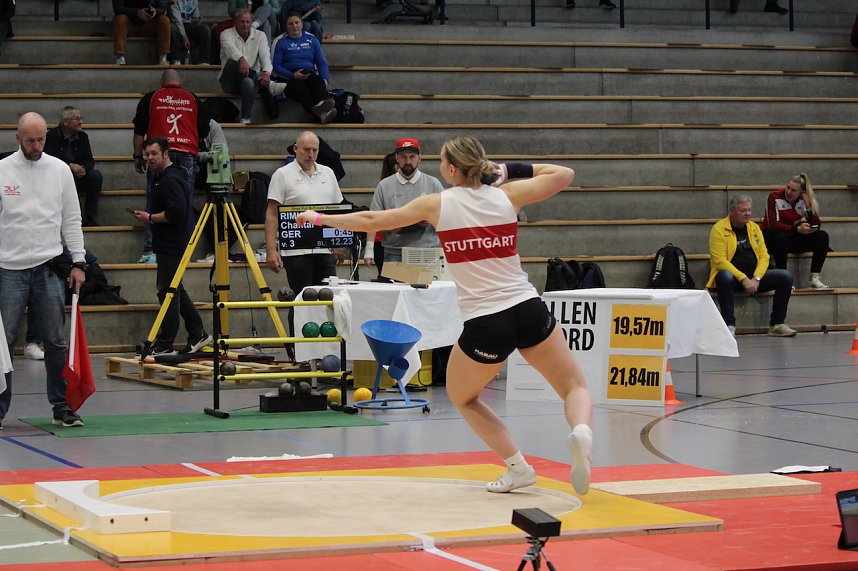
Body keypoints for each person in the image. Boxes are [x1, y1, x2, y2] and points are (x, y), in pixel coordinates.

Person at [295, 135, 594, 495]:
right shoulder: (507, 196)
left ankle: (518, 467)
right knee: (574, 386)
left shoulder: (437, 204)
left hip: (487, 322)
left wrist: (320, 218)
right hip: (528, 308)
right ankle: (582, 433)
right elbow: (565, 173)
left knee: (464, 397)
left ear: (452, 169)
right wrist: (510, 170)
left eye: (440, 161)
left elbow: (374, 218)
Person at [0, 112, 87, 429]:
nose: (36, 146)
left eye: (41, 140)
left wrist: (78, 262)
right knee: (4, 342)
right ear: (17, 138)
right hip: (9, 267)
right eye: (30, 140)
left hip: (49, 265)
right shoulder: (2, 171)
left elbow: (71, 220)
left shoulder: (60, 170)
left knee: (55, 340)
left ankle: (61, 406)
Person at [130, 138, 212, 356]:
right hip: (168, 242)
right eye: (147, 154)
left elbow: (176, 213)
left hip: (173, 243)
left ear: (165, 154)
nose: (149, 158)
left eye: (154, 154)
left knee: (167, 292)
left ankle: (165, 342)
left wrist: (149, 217)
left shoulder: (170, 179)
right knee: (175, 288)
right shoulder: (162, 177)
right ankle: (198, 333)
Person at [265, 131, 347, 344]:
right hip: (296, 251)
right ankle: (299, 353)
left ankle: (326, 351)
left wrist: (337, 242)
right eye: (306, 150)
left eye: (314, 150)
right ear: (295, 149)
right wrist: (272, 250)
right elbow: (272, 213)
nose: (311, 154)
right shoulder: (282, 174)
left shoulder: (328, 173)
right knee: (301, 302)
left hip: (323, 249)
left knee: (329, 301)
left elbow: (335, 211)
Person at [132, 69, 210, 263]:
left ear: (162, 82)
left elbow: (139, 131)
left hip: (157, 154)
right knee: (183, 202)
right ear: (180, 82)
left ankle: (151, 250)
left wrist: (137, 155)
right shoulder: (192, 98)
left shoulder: (151, 98)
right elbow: (204, 128)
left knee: (155, 201)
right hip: (186, 154)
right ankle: (184, 250)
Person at [707, 194, 797, 337]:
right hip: (734, 279)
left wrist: (757, 278)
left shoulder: (754, 228)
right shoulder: (718, 229)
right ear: (732, 211)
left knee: (786, 276)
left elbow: (764, 256)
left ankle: (777, 324)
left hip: (754, 278)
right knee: (723, 276)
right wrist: (743, 279)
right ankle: (729, 325)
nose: (747, 213)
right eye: (743, 210)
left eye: (749, 210)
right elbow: (720, 261)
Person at [368, 138, 443, 265]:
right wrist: (369, 251)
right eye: (403, 157)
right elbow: (372, 219)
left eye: (412, 156)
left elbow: (446, 218)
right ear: (397, 158)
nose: (408, 161)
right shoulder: (384, 185)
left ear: (419, 158)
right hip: (394, 252)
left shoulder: (433, 183)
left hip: (428, 252)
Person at [760, 173, 830, 289]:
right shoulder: (774, 196)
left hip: (791, 237)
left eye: (793, 190)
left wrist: (808, 208)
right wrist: (797, 229)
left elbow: (816, 225)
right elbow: (773, 224)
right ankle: (783, 277)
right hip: (772, 237)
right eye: (788, 187)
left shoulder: (803, 200)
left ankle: (814, 277)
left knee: (822, 236)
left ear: (801, 192)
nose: (788, 192)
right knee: (780, 237)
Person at [219, 7, 285, 124]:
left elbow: (265, 56)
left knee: (248, 82)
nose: (245, 25)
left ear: (251, 22)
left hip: (249, 79)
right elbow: (230, 50)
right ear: (235, 22)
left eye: (248, 22)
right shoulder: (225, 34)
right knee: (233, 61)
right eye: (242, 21)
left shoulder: (260, 35)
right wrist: (241, 59)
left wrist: (266, 73)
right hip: (230, 80)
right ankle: (268, 84)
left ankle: (245, 118)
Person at [271, 12, 336, 124]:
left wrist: (325, 78)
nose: (294, 26)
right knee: (302, 91)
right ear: (286, 27)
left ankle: (321, 106)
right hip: (287, 76)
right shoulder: (280, 42)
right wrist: (293, 75)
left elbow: (321, 62)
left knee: (318, 82)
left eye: (297, 22)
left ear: (302, 24)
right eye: (291, 24)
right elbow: (275, 66)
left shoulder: (312, 39)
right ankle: (321, 113)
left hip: (307, 73)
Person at [44, 106, 104, 227]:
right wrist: (70, 166)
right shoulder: (51, 137)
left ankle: (89, 218)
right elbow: (48, 160)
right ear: (65, 122)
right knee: (67, 176)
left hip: (79, 175)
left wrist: (84, 169)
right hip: (59, 177)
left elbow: (90, 160)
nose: (81, 122)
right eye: (77, 119)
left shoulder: (83, 137)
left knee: (96, 176)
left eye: (81, 118)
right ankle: (70, 219)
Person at [364, 151, 398, 275]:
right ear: (397, 167)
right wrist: (369, 250)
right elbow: (372, 219)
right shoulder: (385, 188)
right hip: (384, 244)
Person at [112, 0, 172, 65]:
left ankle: (163, 57)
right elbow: (118, 8)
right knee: (120, 19)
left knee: (164, 20)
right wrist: (137, 12)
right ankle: (120, 57)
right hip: (129, 24)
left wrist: (155, 11)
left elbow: (163, 8)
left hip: (149, 24)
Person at [169, 0, 212, 64]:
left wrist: (198, 21)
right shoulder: (174, 1)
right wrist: (184, 37)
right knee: (172, 28)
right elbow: (177, 20)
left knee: (205, 30)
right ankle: (175, 59)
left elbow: (195, 16)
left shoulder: (194, 1)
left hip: (189, 25)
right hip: (176, 24)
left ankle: (204, 61)